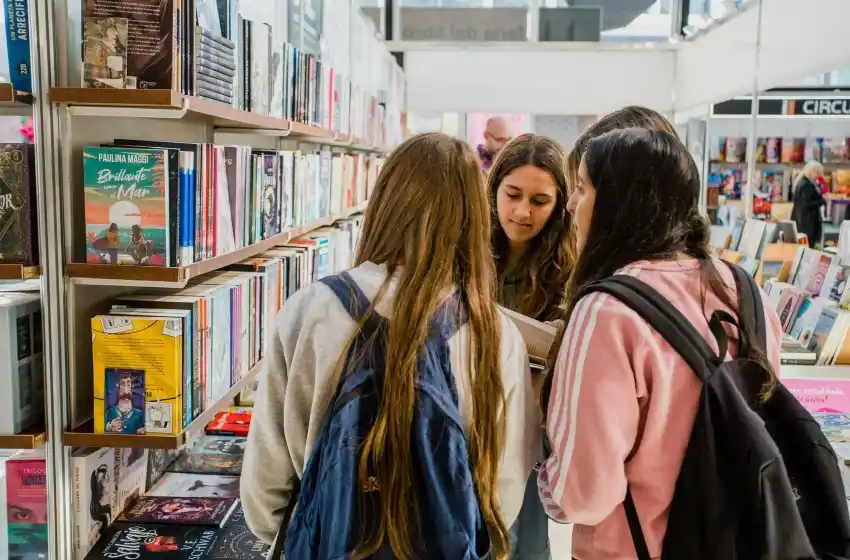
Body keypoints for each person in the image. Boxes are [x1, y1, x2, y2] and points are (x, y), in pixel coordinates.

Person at [241, 132, 539, 557]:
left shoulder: (310, 310)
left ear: (385, 202)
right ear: (474, 218)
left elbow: (266, 484)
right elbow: (503, 492)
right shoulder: (494, 332)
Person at [538, 128, 782, 559]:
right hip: (745, 541)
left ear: (619, 202)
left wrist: (543, 478)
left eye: (581, 187)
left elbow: (586, 494)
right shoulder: (746, 292)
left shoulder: (606, 310)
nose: (572, 204)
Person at [487, 133, 572, 560]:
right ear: (494, 189)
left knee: (523, 541)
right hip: (473, 420)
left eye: (540, 201)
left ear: (559, 205)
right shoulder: (463, 251)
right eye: (512, 195)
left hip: (532, 427)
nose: (521, 212)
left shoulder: (571, 268)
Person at [791, 160, 826, 248]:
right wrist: (823, 201)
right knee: (808, 248)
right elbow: (807, 203)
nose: (819, 176)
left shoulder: (801, 182)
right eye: (818, 173)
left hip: (801, 223)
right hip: (808, 224)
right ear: (812, 172)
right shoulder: (807, 185)